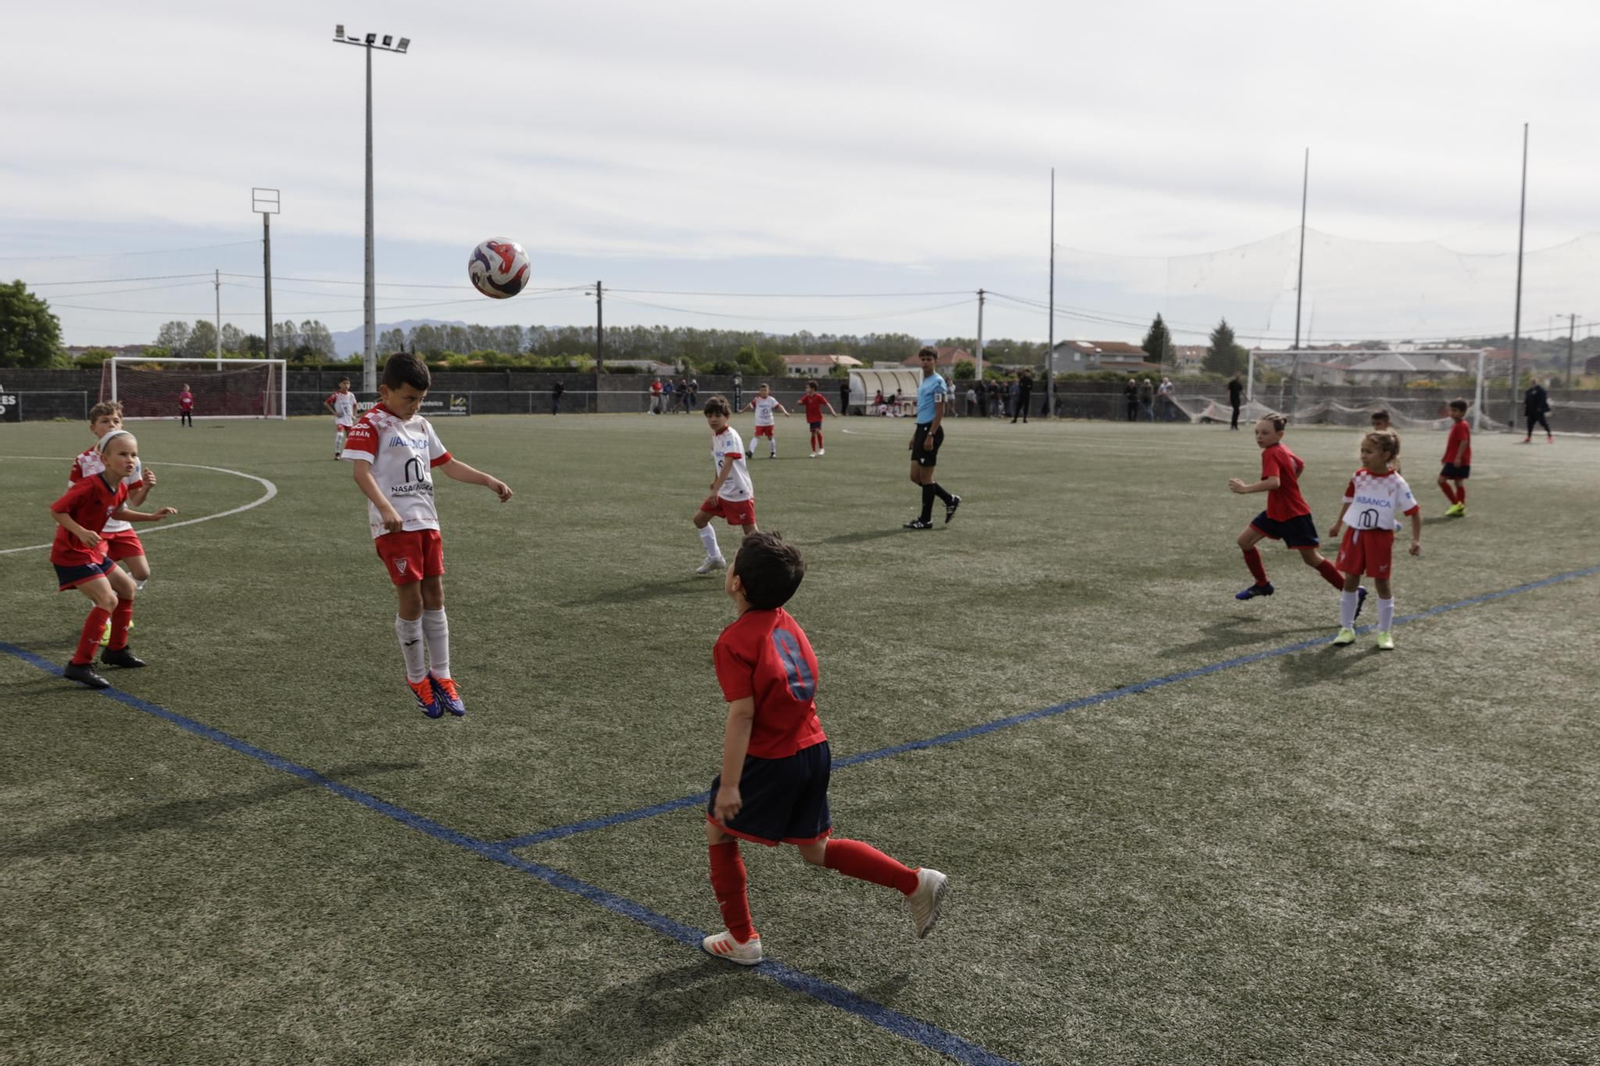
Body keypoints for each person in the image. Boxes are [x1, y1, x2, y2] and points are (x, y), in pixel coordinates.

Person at [700, 531, 948, 965]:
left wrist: (731, 785)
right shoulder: (786, 621)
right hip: (813, 749)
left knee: (718, 828)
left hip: (774, 759)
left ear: (737, 582)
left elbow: (742, 716)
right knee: (815, 850)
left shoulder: (734, 641)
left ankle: (742, 939)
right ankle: (915, 882)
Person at [342, 352, 513, 718]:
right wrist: (386, 508)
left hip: (427, 522)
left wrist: (487, 479)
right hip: (395, 527)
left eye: (420, 399)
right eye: (408, 398)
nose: (414, 405)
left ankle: (443, 676)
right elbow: (361, 472)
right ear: (385, 391)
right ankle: (417, 677)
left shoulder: (421, 425)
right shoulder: (370, 423)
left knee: (436, 595)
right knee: (413, 601)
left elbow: (447, 465)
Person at [49, 429, 177, 689]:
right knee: (107, 599)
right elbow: (57, 509)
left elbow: (118, 512)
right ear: (105, 459)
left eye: (134, 454)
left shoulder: (118, 486)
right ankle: (79, 665)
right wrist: (82, 532)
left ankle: (116, 650)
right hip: (71, 553)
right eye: (122, 454)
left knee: (127, 587)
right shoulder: (89, 485)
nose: (130, 459)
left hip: (90, 552)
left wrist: (150, 516)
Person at [1229, 414, 1350, 603]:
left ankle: (1350, 591)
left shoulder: (1270, 453)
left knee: (1312, 559)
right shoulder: (1281, 448)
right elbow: (1299, 464)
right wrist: (1289, 482)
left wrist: (1245, 489)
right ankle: (1262, 584)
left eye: (1265, 433)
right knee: (1245, 542)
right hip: (1276, 512)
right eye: (1257, 432)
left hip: (1294, 514)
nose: (1259, 437)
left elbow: (1274, 482)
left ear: (1279, 435)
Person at [1328, 431, 1421, 651]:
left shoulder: (1396, 482)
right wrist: (1338, 524)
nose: (1363, 455)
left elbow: (1414, 512)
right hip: (1355, 534)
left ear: (1386, 454)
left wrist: (1416, 540)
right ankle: (1346, 628)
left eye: (1369, 451)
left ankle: (1384, 632)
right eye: (1362, 451)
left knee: (1381, 582)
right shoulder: (1359, 476)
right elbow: (1349, 500)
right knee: (1350, 579)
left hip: (1379, 537)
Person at [71, 402, 158, 606]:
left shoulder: (133, 460)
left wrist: (145, 488)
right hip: (96, 528)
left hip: (121, 523)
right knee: (100, 576)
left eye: (116, 421)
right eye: (105, 421)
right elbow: (71, 497)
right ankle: (105, 608)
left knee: (142, 572)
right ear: (93, 428)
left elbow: (135, 500)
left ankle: (115, 597)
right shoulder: (83, 460)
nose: (111, 425)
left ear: (122, 425)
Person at [692, 395, 757, 576]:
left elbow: (728, 463)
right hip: (723, 491)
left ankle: (765, 562)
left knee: (751, 535)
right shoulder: (715, 437)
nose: (713, 419)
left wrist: (715, 489)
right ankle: (715, 558)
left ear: (726, 416)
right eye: (709, 415)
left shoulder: (731, 437)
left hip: (739, 492)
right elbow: (719, 462)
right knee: (699, 519)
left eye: (717, 415)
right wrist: (715, 481)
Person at [903, 346, 961, 530]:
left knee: (927, 478)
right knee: (915, 476)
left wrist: (930, 435)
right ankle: (949, 499)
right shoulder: (924, 382)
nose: (926, 362)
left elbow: (939, 412)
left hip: (931, 431)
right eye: (923, 359)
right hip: (921, 430)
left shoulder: (938, 382)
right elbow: (923, 410)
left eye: (929, 359)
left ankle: (925, 519)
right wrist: (916, 435)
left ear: (936, 361)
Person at [1439, 399, 1471, 517]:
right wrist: (1445, 456)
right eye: (1451, 410)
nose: (1452, 413)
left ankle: (1456, 504)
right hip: (1453, 459)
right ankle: (1460, 507)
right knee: (1459, 482)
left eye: (1455, 410)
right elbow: (1453, 444)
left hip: (1456, 460)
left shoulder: (1461, 425)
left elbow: (1464, 442)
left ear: (1462, 412)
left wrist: (1458, 458)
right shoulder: (1458, 425)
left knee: (1441, 480)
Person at [741, 383, 789, 459]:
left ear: (768, 391)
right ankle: (750, 452)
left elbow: (779, 406)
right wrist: (742, 411)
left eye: (765, 390)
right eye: (762, 390)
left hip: (769, 423)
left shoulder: (771, 400)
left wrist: (785, 412)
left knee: (770, 437)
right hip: (759, 423)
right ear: (759, 391)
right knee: (756, 436)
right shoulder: (757, 399)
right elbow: (750, 406)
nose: (763, 392)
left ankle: (773, 453)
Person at [797, 380, 837, 457]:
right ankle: (813, 451)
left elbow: (827, 404)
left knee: (817, 430)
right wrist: (799, 402)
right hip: (810, 418)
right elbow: (802, 402)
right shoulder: (807, 397)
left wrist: (832, 412)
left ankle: (821, 448)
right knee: (812, 434)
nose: (806, 389)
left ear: (813, 389)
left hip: (818, 417)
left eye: (807, 388)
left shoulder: (819, 396)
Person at [324, 376, 358, 458]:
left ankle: (346, 454)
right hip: (340, 419)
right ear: (340, 384)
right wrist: (335, 413)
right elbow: (326, 403)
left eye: (348, 383)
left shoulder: (351, 395)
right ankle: (337, 453)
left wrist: (354, 415)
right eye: (344, 383)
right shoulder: (336, 395)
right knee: (340, 435)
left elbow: (355, 405)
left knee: (349, 438)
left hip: (349, 419)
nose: (346, 385)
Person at [1521, 377, 1553, 443]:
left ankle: (1550, 436)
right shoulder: (1529, 391)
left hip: (1538, 411)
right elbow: (1527, 399)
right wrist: (1524, 403)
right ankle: (1529, 437)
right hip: (1531, 411)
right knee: (1529, 424)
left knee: (1543, 423)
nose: (1533, 383)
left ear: (1536, 382)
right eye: (1532, 382)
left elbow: (1543, 399)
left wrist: (1540, 407)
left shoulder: (1541, 390)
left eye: (1534, 382)